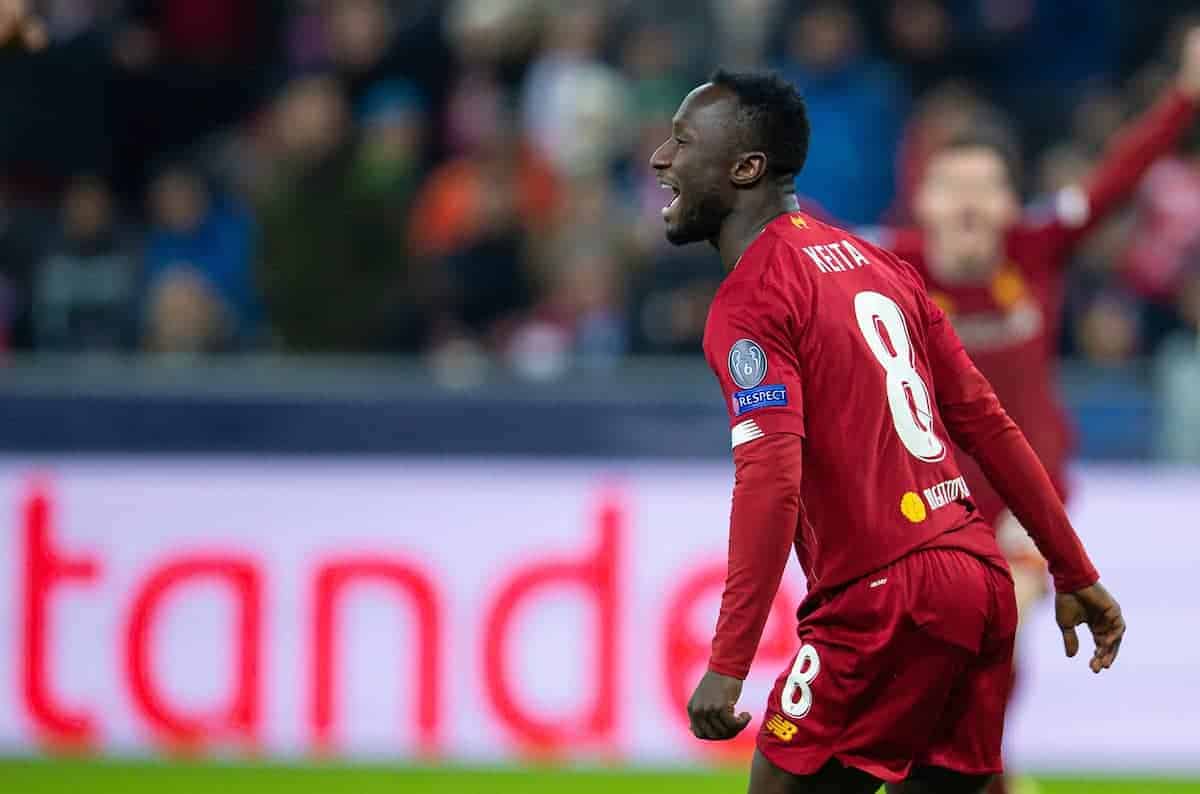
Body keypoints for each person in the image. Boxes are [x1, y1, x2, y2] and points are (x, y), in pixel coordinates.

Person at [651, 70, 1124, 794]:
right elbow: (989, 426)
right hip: (979, 584)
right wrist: (1075, 570)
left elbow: (770, 481)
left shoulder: (752, 300)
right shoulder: (881, 266)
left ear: (746, 168)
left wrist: (730, 659)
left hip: (880, 599)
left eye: (682, 142)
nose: (661, 159)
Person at [870, 32, 1200, 793]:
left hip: (1026, 499)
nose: (969, 202)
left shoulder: (1038, 248)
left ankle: (978, 765)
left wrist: (1184, 94)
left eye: (985, 186)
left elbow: (1117, 179)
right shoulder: (887, 270)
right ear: (922, 203)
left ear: (1009, 201)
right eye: (952, 186)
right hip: (927, 507)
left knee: (1001, 621)